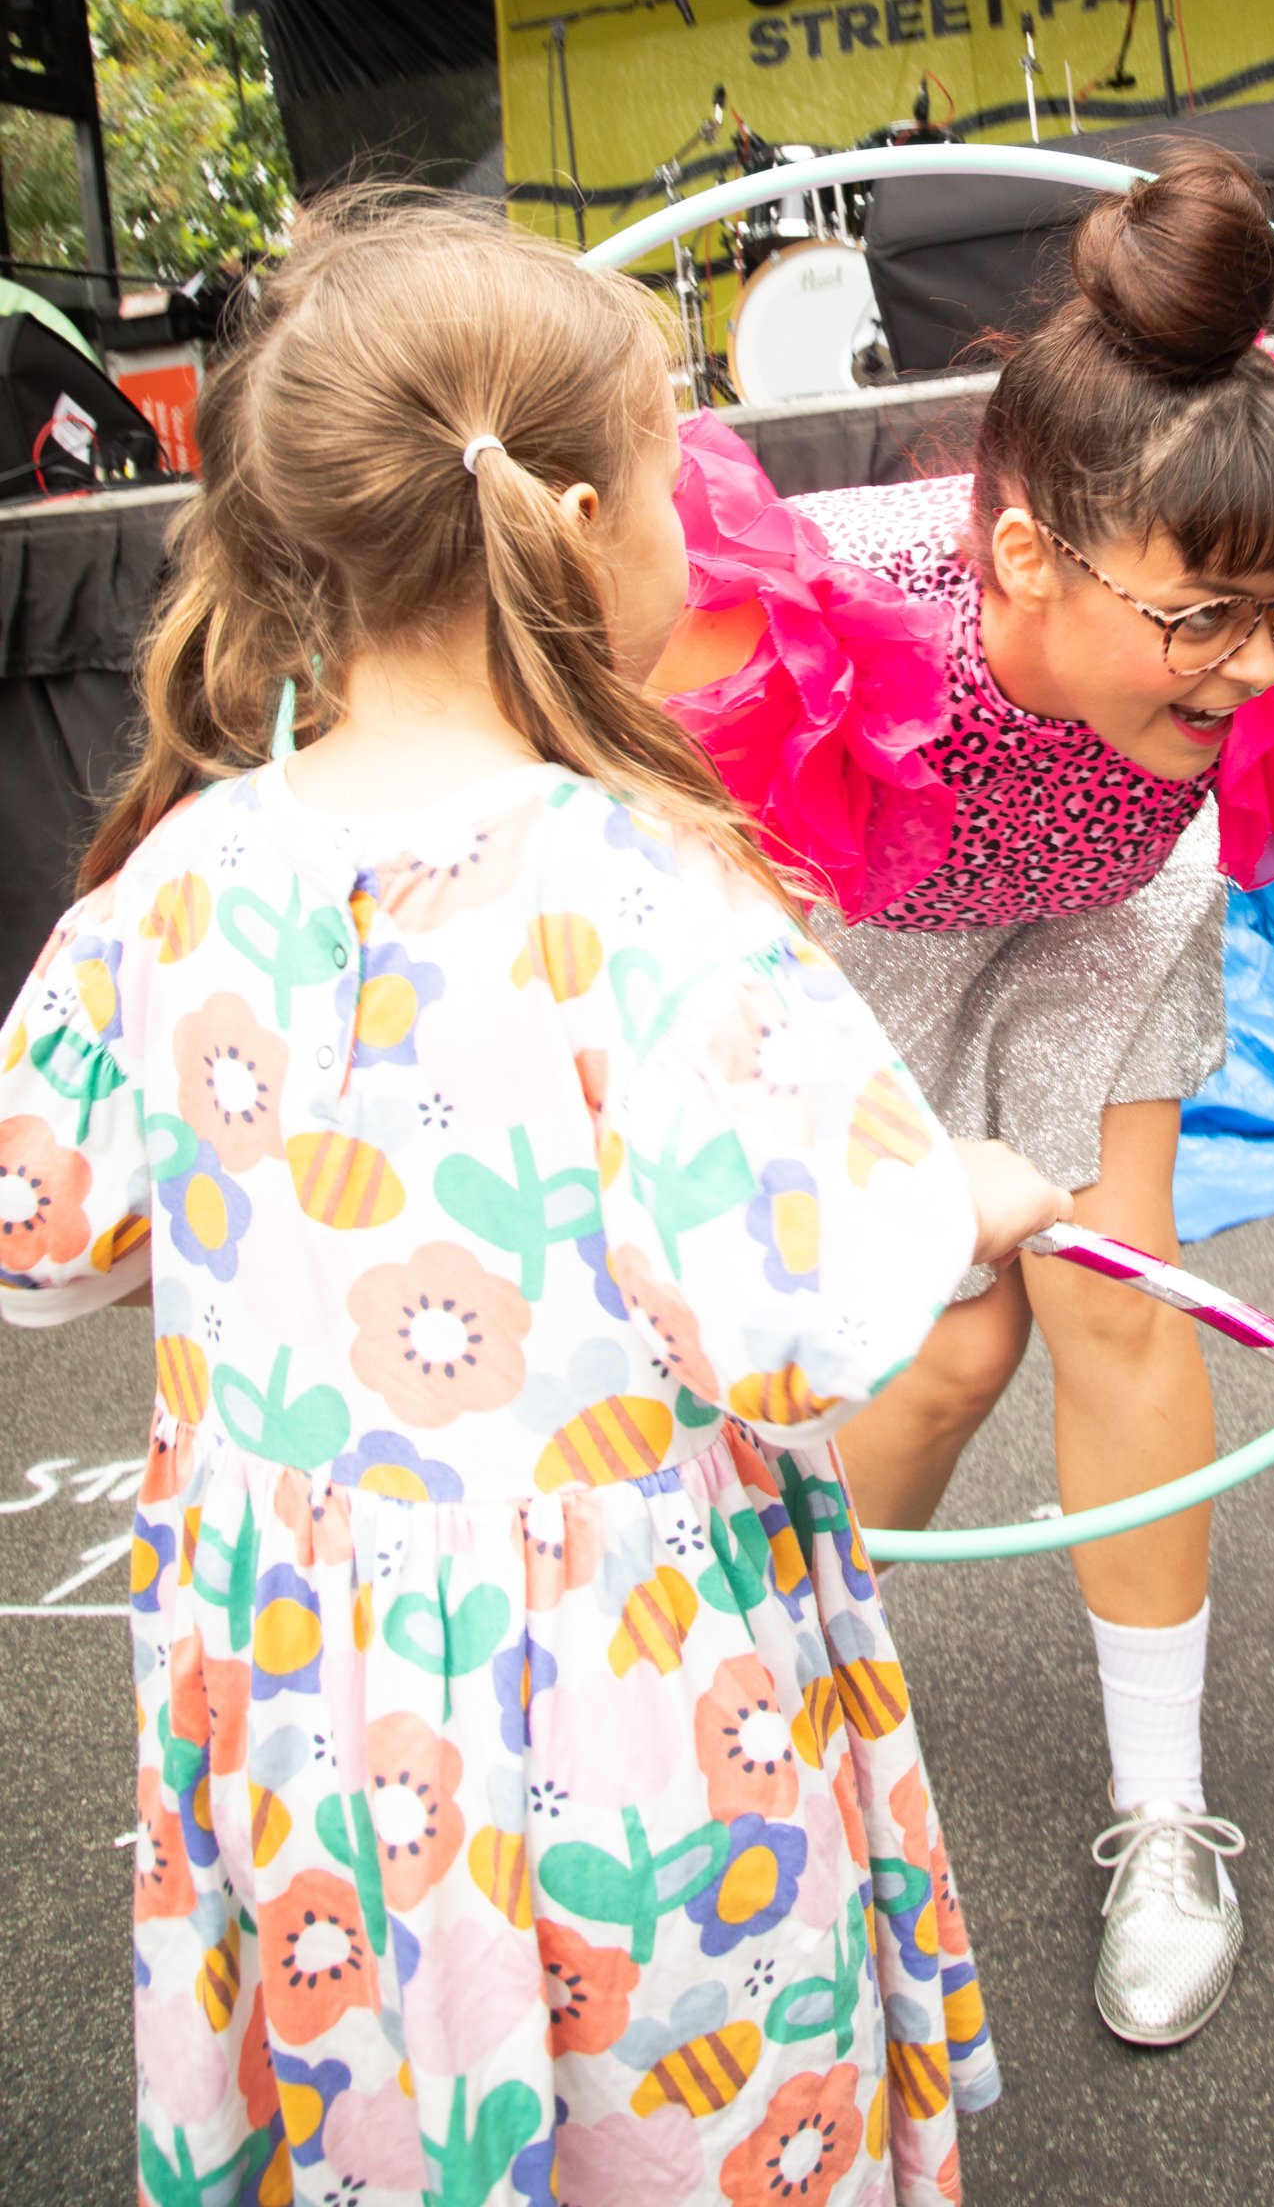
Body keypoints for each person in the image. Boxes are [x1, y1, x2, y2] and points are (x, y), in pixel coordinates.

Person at [0, 199, 1068, 2207]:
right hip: (625, 1715)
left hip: (306, 1734)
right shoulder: (654, 895)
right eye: (681, 473)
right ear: (582, 525)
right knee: (663, 2119)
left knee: (380, 2116)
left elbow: (43, 1246)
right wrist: (975, 1195)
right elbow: (821, 1303)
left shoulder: (175, 882)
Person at [652, 144, 1274, 2050]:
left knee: (1109, 1291)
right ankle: (747, 1718)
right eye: (1208, 619)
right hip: (876, 926)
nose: (1260, 656)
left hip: (1113, 909)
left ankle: (1160, 1806)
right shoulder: (857, 600)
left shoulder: (1226, 615)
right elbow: (661, 817)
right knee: (941, 1358)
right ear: (1025, 557)